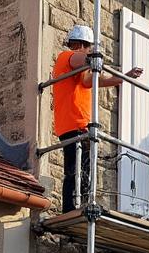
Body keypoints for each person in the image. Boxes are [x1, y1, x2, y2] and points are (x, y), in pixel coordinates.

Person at [51, 24, 142, 212]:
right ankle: (71, 208)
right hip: (73, 124)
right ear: (83, 44)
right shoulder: (66, 57)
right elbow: (82, 59)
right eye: (90, 47)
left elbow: (93, 81)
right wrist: (95, 58)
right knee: (75, 169)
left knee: (83, 169)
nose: (91, 50)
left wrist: (122, 77)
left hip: (79, 125)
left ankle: (80, 204)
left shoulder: (78, 71)